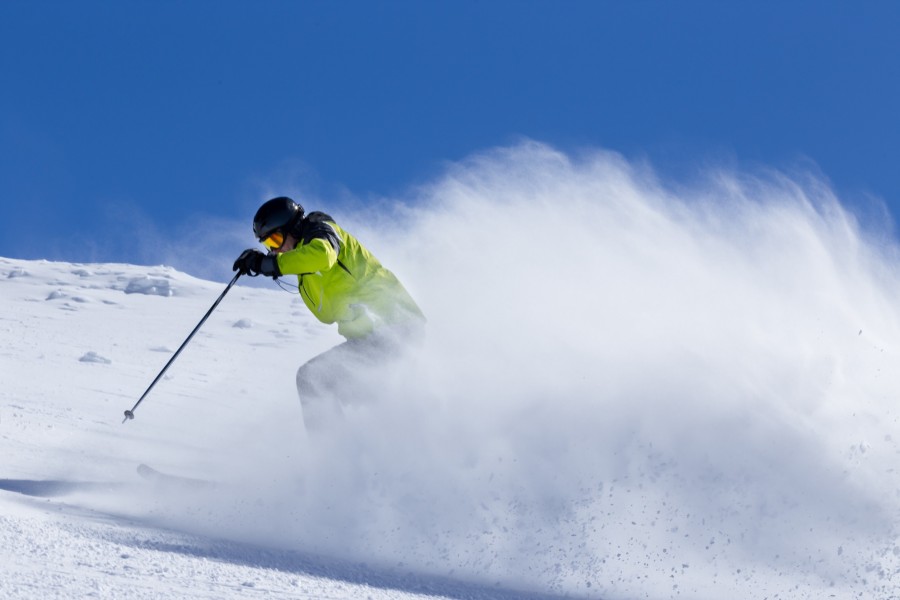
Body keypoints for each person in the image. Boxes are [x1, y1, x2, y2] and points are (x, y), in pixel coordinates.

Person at [233, 196, 425, 431]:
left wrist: (270, 264)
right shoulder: (306, 272)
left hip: (394, 326)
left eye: (276, 239)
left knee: (313, 379)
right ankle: (383, 452)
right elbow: (325, 314)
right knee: (353, 395)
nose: (277, 249)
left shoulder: (321, 230)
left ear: (291, 227)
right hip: (372, 338)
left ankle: (335, 459)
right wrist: (263, 262)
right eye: (269, 245)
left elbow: (323, 255)